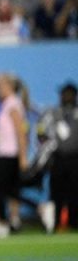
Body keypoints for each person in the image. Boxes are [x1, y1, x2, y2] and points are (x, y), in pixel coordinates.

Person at [0, 73, 28, 238]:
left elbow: (20, 132)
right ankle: (7, 221)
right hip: (0, 152)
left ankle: (2, 222)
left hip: (9, 153)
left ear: (9, 87)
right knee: (6, 190)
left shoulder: (12, 104)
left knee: (1, 190)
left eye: (0, 86)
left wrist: (23, 156)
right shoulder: (1, 104)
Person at [44, 83, 78, 231]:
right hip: (58, 158)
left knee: (75, 192)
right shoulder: (54, 113)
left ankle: (74, 222)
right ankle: (56, 223)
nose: (65, 97)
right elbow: (43, 132)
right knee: (56, 192)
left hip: (75, 158)